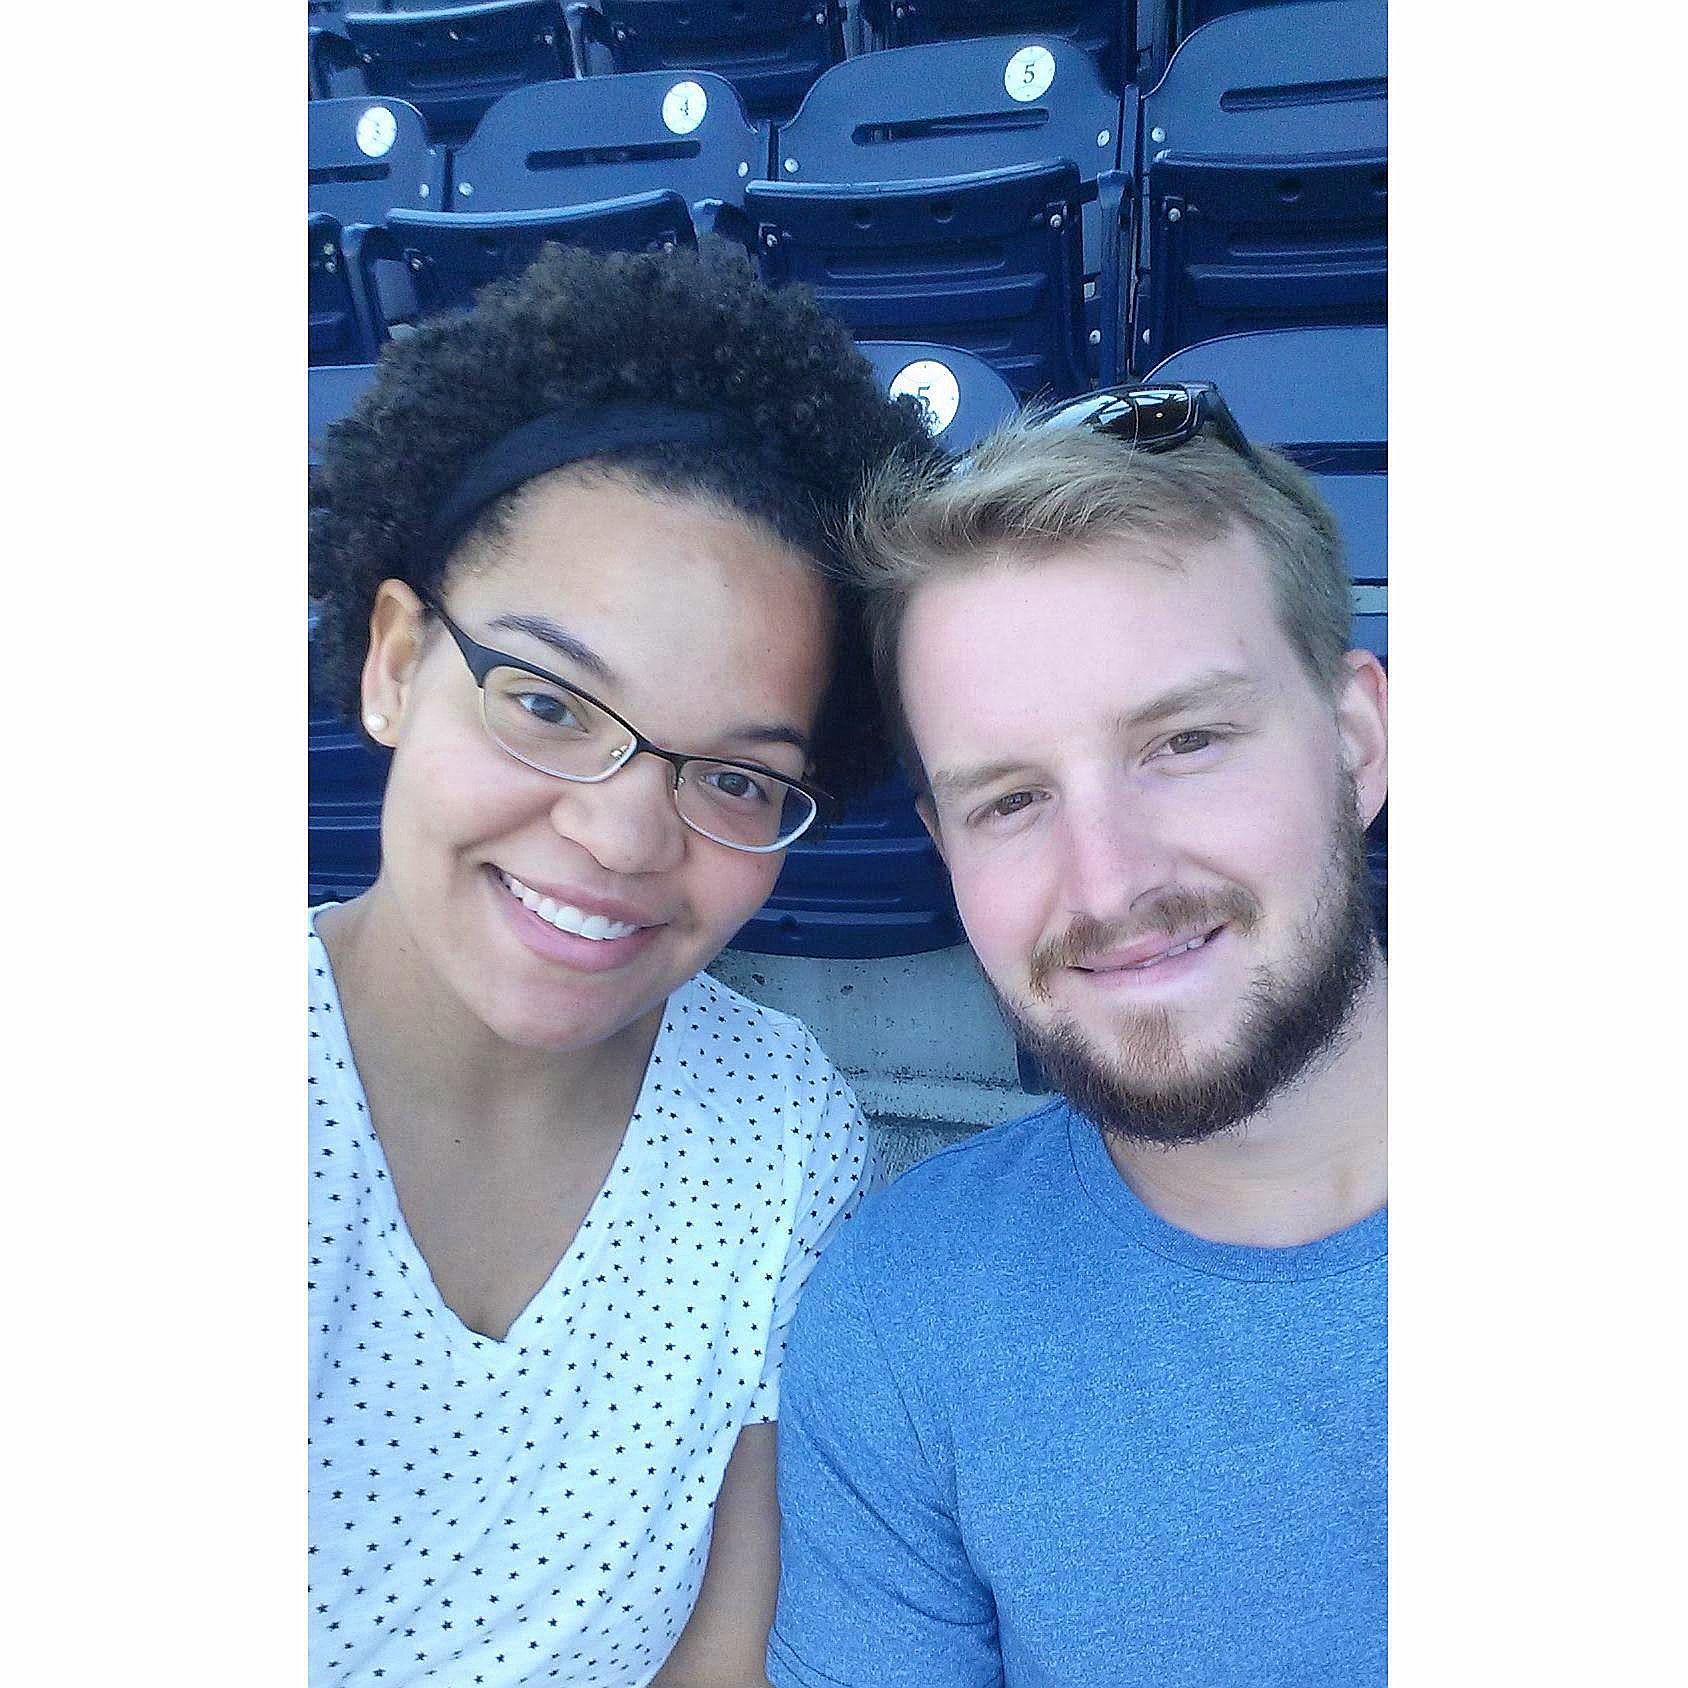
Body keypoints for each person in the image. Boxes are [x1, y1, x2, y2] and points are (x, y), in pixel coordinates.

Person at [308, 240, 932, 1688]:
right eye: (544, 701)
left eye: (732, 776)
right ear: (397, 661)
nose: (616, 833)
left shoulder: (775, 1128)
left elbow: (725, 1654)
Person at [768, 386, 1388, 1688]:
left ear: (1358, 740)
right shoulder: (899, 1319)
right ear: (943, 849)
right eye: (1010, 801)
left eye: (1185, 741)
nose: (1105, 883)